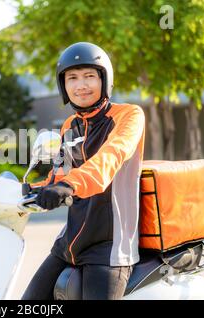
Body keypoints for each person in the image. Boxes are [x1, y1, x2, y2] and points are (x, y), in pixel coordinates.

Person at [21, 42, 146, 300]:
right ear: (63, 86)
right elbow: (60, 175)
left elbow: (110, 157)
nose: (81, 85)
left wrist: (69, 186)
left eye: (90, 76)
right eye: (73, 78)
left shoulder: (129, 116)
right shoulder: (70, 125)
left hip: (109, 248)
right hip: (69, 244)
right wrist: (33, 190)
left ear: (105, 79)